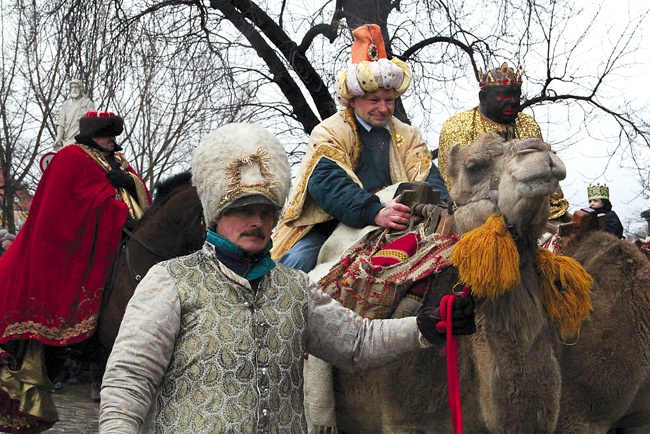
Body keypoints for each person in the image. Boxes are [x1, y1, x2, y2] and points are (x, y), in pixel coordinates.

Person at [98, 123, 476, 433]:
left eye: (265, 212)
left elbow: (358, 343)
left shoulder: (294, 288)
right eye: (242, 210)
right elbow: (129, 380)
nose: (257, 221)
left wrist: (426, 328)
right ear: (215, 215)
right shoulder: (170, 281)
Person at [0, 111, 150, 432]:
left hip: (124, 239)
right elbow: (66, 207)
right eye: (108, 135)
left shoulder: (118, 161)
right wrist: (113, 206)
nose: (114, 141)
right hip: (77, 249)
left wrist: (132, 184)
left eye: (114, 136)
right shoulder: (70, 158)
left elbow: (141, 197)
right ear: (94, 134)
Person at [271, 24, 449, 272]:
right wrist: (374, 211)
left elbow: (431, 181)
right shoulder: (329, 132)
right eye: (374, 100)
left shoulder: (409, 135)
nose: (384, 108)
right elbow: (327, 182)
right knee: (298, 263)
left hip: (401, 222)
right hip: (331, 225)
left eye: (389, 100)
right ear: (352, 100)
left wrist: (443, 212)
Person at [438, 62, 569, 220]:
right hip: (477, 215)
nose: (513, 101)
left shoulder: (529, 123)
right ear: (483, 98)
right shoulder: (457, 126)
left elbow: (545, 174)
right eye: (504, 96)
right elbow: (452, 183)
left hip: (528, 212)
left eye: (517, 95)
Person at [53, 79, 96, 151]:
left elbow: (92, 124)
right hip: (67, 141)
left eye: (76, 87)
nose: (74, 90)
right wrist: (58, 138)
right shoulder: (66, 104)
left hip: (82, 143)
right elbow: (61, 123)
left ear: (80, 89)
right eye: (72, 88)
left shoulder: (87, 103)